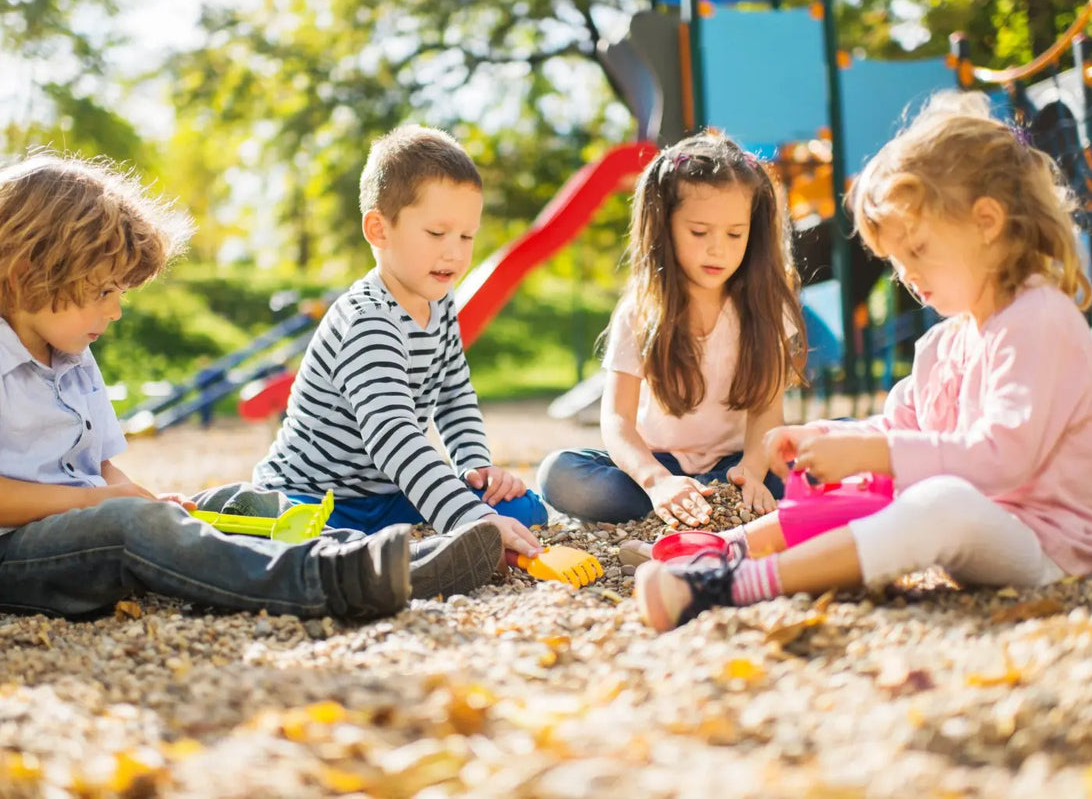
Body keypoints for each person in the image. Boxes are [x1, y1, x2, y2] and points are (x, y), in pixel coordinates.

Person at [635, 91, 1092, 632]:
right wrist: (827, 437)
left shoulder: (1039, 317)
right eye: (897, 262)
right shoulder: (944, 343)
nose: (906, 276)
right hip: (981, 523)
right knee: (870, 484)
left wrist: (872, 449)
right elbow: (902, 428)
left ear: (987, 222)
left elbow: (1004, 458)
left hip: (1052, 546)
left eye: (918, 251)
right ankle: (715, 551)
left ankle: (730, 586)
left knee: (933, 496)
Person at [0, 154, 498, 620]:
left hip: (85, 529)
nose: (115, 310)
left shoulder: (74, 357)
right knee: (133, 528)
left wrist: (141, 497)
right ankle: (334, 579)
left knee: (237, 502)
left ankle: (366, 553)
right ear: (26, 277)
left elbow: (100, 472)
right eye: (103, 291)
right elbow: (83, 501)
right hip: (17, 556)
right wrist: (107, 505)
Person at [252, 125, 545, 561]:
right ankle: (380, 556)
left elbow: (453, 396)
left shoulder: (440, 306)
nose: (455, 253)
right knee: (314, 548)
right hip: (310, 495)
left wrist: (475, 467)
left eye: (467, 236)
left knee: (526, 509)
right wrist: (471, 518)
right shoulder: (368, 320)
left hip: (388, 492)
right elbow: (395, 436)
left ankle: (405, 545)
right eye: (436, 233)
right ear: (379, 229)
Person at [537, 132, 807, 529]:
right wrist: (657, 481)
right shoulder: (640, 312)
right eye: (699, 232)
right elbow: (617, 421)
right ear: (665, 227)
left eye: (735, 234)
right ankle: (691, 500)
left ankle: (716, 495)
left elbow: (767, 412)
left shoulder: (767, 307)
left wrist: (751, 471)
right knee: (559, 474)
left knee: (843, 444)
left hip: (741, 464)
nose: (718, 248)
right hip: (657, 464)